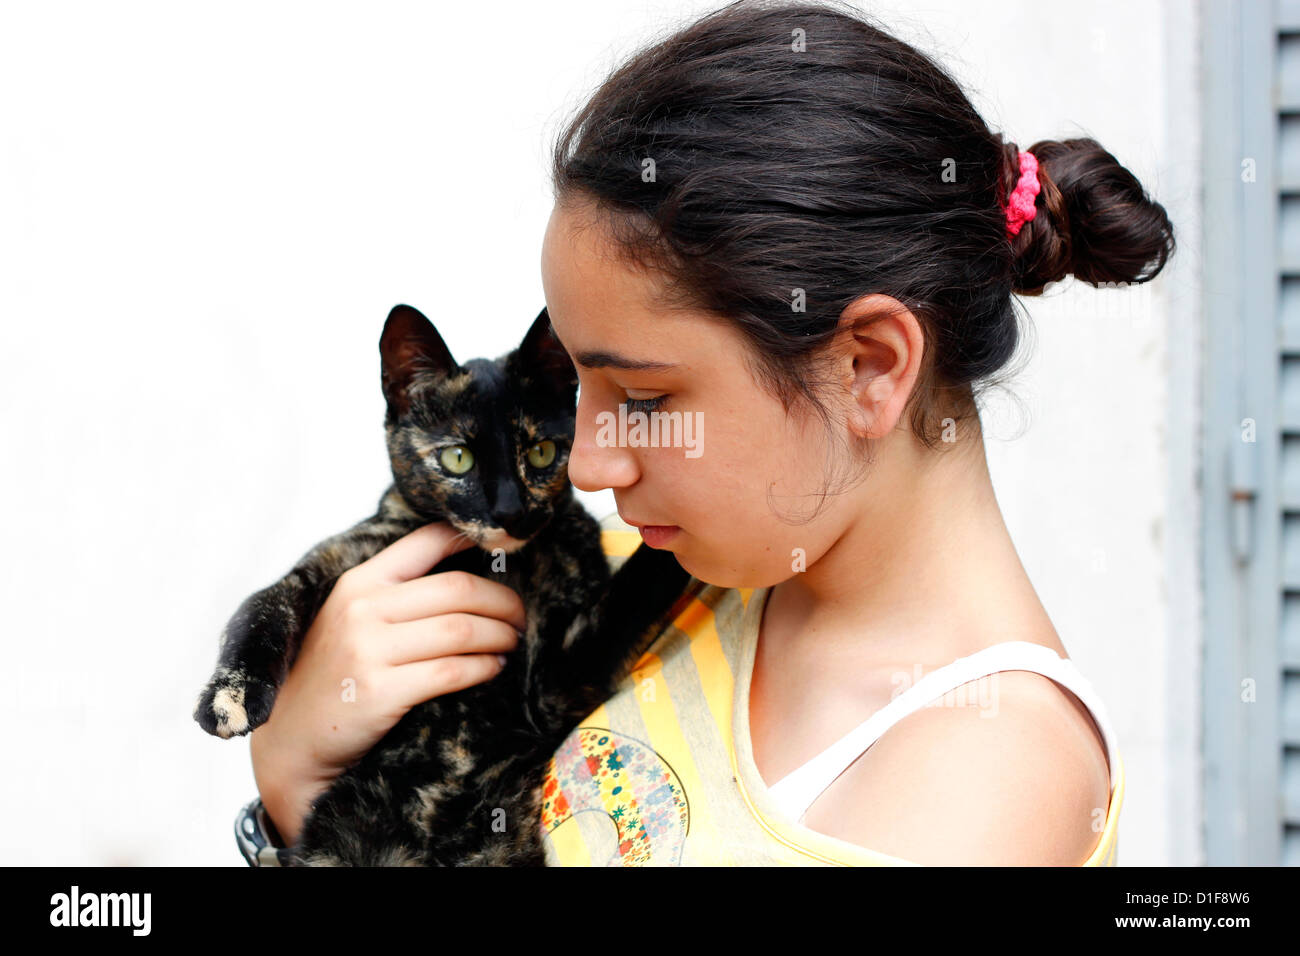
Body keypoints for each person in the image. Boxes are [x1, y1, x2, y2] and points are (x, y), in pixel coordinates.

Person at [242, 0, 1174, 866]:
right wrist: (295, 782)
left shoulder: (985, 774)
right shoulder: (655, 582)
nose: (588, 460)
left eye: (644, 398)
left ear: (870, 368)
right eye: (582, 390)